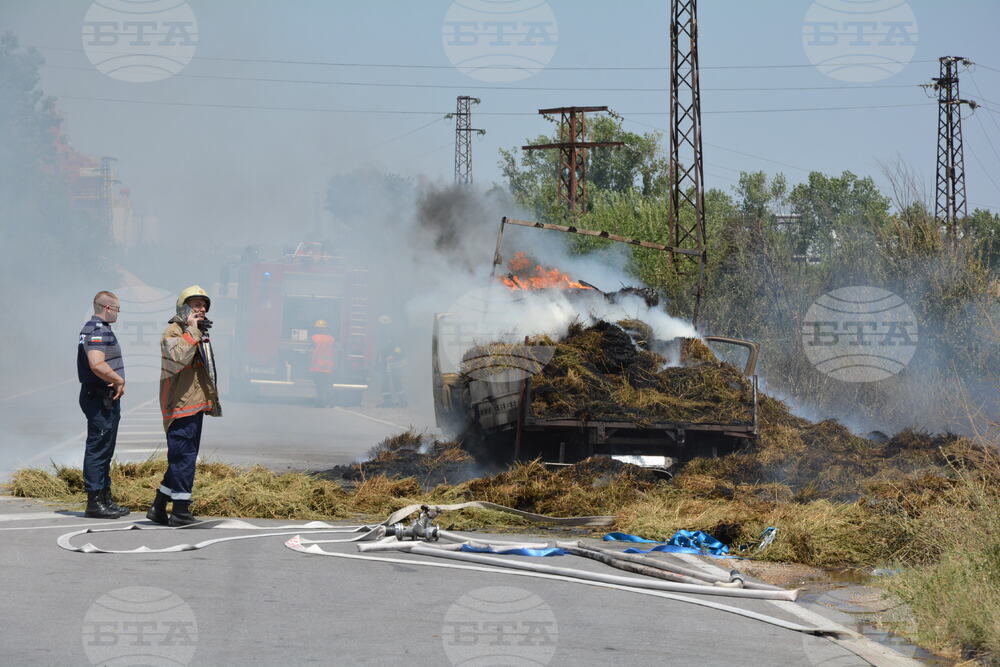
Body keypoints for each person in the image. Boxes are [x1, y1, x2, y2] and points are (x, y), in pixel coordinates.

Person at [146, 285, 222, 526]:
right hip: (180, 406)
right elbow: (178, 358)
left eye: (204, 305)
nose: (201, 309)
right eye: (196, 304)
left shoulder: (197, 332)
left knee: (182, 458)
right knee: (184, 458)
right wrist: (192, 331)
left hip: (194, 404)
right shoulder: (174, 332)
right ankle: (180, 511)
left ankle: (159, 506)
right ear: (183, 308)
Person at [77, 291, 129, 519]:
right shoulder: (97, 330)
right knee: (98, 448)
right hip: (98, 397)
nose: (118, 313)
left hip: (103, 397)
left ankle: (105, 498)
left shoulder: (100, 329)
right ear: (107, 308)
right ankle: (95, 502)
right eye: (117, 309)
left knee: (105, 448)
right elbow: (96, 364)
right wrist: (118, 380)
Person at [309, 320, 336, 407]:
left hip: (317, 365)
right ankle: (330, 402)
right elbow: (334, 351)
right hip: (328, 366)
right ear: (326, 329)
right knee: (328, 385)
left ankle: (320, 403)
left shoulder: (314, 338)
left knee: (319, 386)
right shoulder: (331, 339)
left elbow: (310, 351)